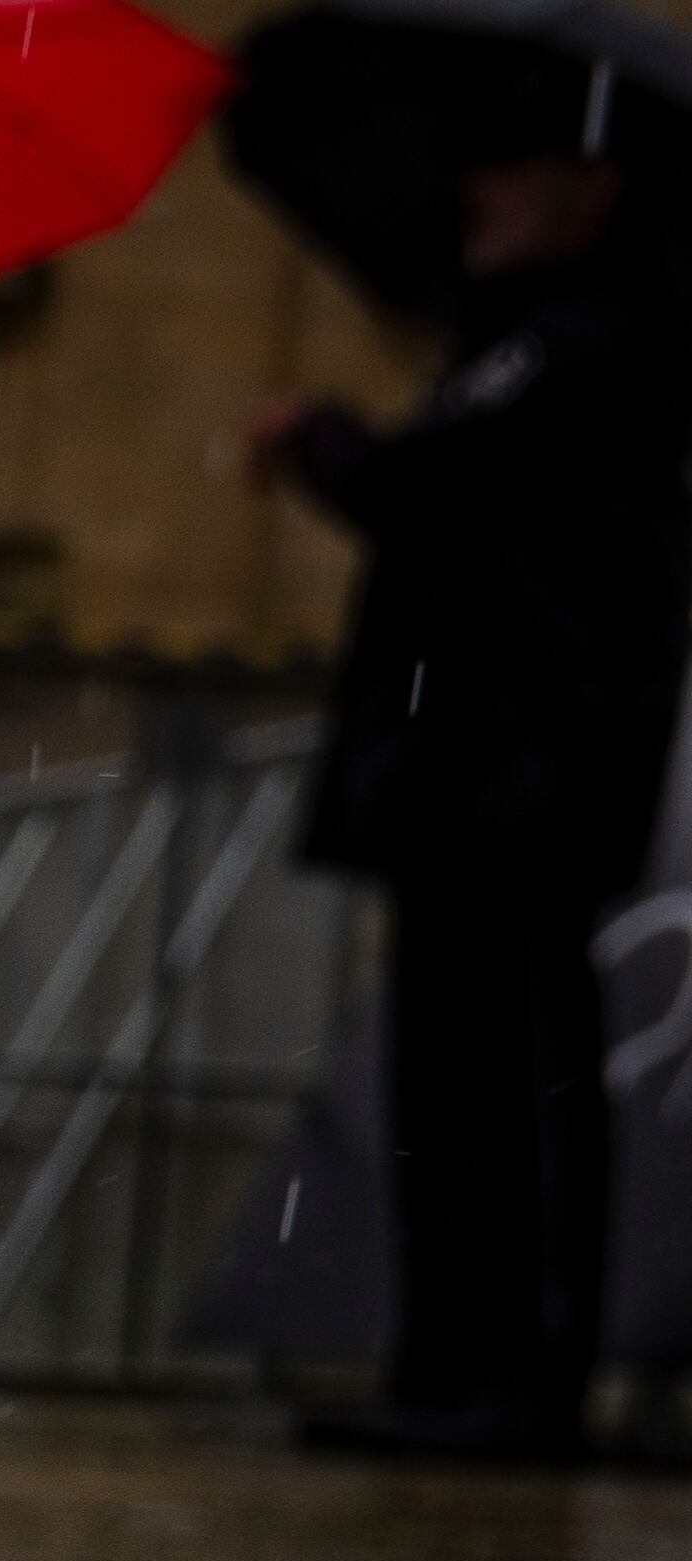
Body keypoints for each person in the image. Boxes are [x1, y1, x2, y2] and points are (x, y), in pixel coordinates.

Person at [248, 109, 692, 1463]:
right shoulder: (525, 341)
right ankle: (452, 1362)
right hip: (471, 776)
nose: (477, 193)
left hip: (522, 778)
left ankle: (508, 1372)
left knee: (507, 1077)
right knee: (455, 1080)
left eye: (511, 169)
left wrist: (325, 438)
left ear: (591, 191)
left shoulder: (581, 344)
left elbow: (425, 486)